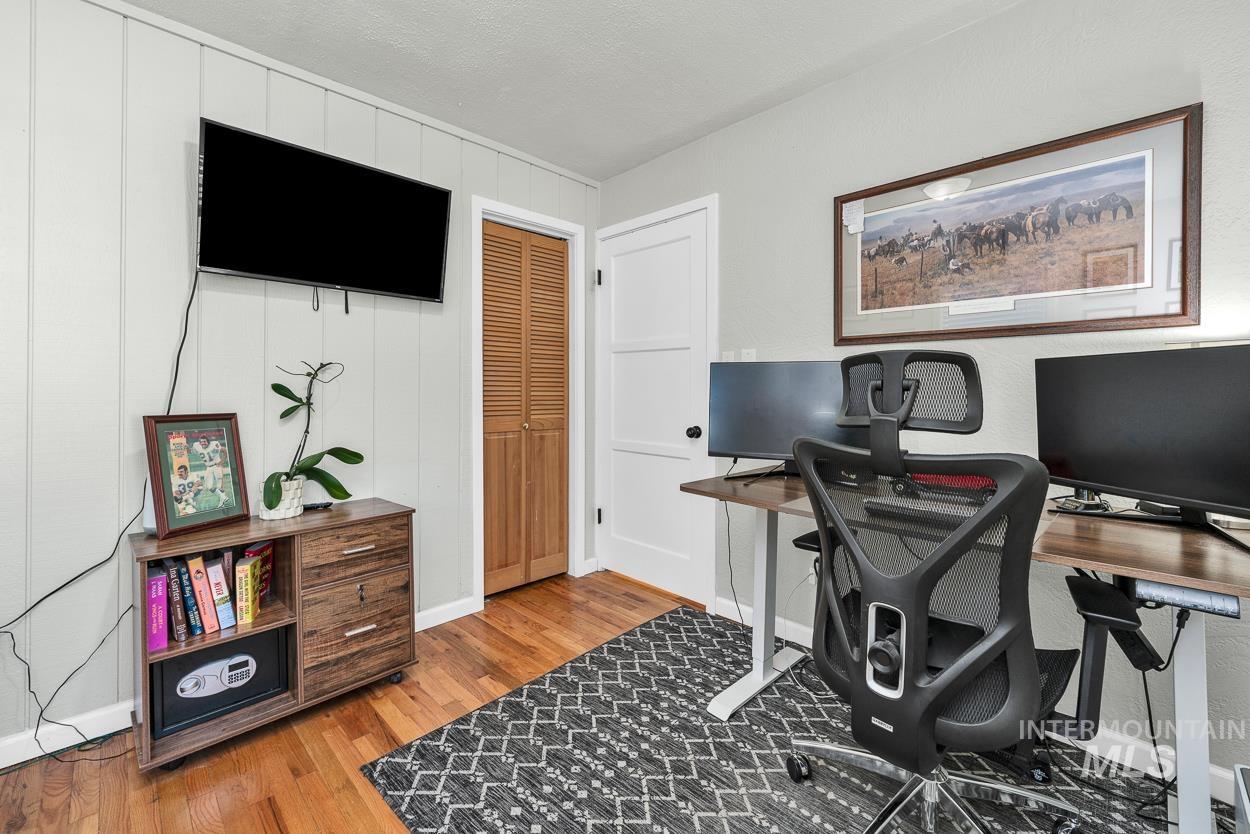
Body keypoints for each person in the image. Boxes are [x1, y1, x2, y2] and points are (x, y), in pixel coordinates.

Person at [192, 435, 230, 509]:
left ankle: (222, 504)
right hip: (208, 468)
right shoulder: (197, 446)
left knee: (220, 487)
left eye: (204, 441)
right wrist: (187, 448)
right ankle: (224, 497)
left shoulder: (214, 445)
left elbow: (224, 450)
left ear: (208, 442)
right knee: (209, 486)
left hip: (216, 466)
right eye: (201, 442)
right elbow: (191, 451)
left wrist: (222, 461)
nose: (203, 443)